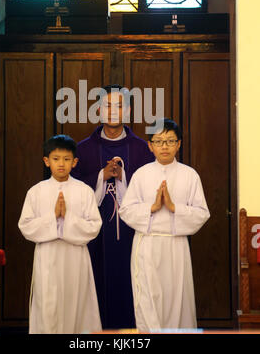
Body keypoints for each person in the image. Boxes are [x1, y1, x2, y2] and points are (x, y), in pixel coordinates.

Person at [71, 84, 154, 329]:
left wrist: (123, 179)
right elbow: (71, 190)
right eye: (107, 105)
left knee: (132, 283)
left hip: (132, 234)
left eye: (119, 105)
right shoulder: (83, 149)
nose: (113, 111)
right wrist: (100, 176)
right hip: (95, 237)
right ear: (98, 110)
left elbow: (151, 190)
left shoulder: (142, 149)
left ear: (127, 111)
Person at [119, 118, 210, 332]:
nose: (165, 146)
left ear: (179, 144)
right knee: (148, 302)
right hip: (147, 246)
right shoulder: (141, 175)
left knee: (178, 300)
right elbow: (126, 210)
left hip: (176, 246)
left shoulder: (190, 175)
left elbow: (202, 213)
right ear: (150, 145)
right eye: (159, 141)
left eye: (170, 140)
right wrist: (151, 208)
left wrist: (173, 207)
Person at [18, 134, 102, 334]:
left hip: (76, 258)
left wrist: (68, 219)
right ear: (47, 161)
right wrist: (53, 217)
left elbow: (94, 226)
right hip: (48, 257)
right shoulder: (36, 192)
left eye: (66, 159)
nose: (61, 164)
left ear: (74, 162)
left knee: (77, 303)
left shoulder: (84, 191)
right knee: (49, 305)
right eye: (56, 159)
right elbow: (26, 226)